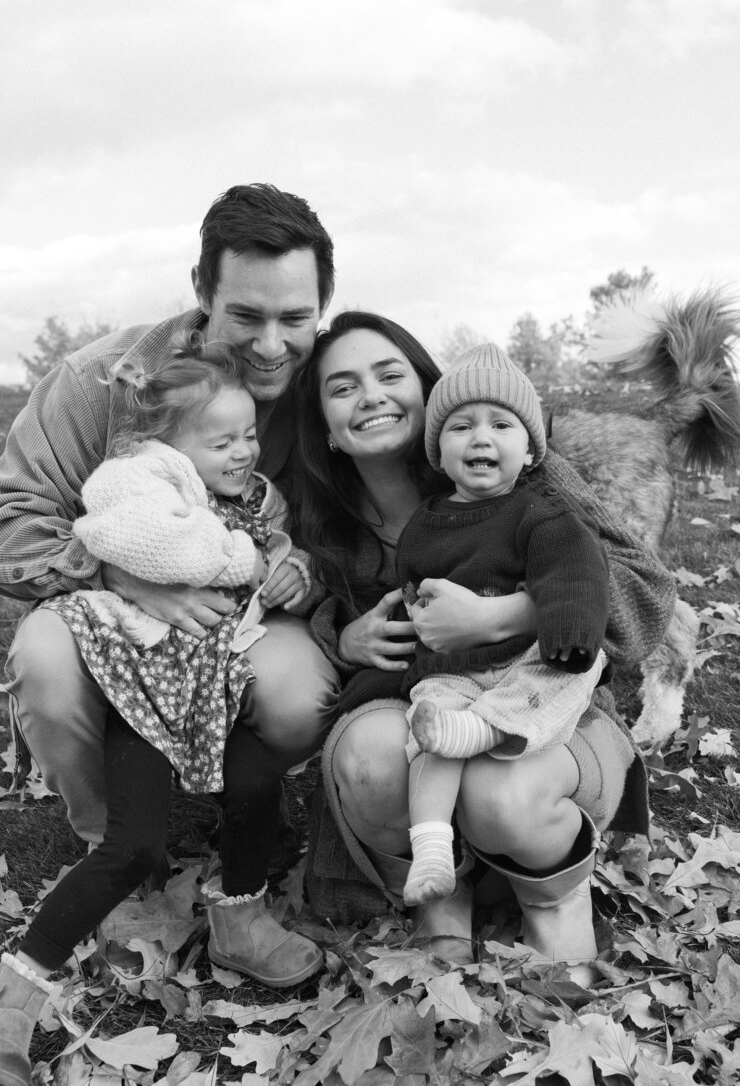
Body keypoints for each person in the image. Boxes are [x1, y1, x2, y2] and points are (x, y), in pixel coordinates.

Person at [294, 310, 676, 969]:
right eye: (343, 387)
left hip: (544, 694)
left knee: (502, 795)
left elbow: (646, 591)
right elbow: (301, 614)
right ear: (325, 424)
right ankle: (443, 897)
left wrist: (501, 618)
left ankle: (554, 905)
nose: (372, 396)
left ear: (425, 387)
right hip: (429, 689)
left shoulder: (518, 469)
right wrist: (343, 637)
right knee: (373, 756)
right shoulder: (322, 517)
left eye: (390, 374)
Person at [0, 342, 326, 1084]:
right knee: (135, 845)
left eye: (248, 435)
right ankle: (15, 995)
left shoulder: (248, 494)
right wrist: (243, 560)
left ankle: (238, 917)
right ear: (167, 444)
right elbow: (145, 539)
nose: (243, 451)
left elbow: (283, 545)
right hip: (143, 689)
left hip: (211, 683)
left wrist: (286, 563)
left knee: (254, 780)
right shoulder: (136, 477)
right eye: (222, 440)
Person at [0, 183, 339, 858]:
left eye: (295, 318)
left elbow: (456, 441)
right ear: (201, 289)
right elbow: (12, 521)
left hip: (251, 619)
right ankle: (115, 847)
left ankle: (227, 798)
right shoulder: (102, 382)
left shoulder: (344, 386)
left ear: (323, 306)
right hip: (111, 608)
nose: (272, 346)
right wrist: (123, 574)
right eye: (246, 315)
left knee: (299, 700)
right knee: (43, 663)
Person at [396, 343, 609, 907]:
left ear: (530, 450)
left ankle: (490, 730)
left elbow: (577, 573)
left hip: (531, 659)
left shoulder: (541, 512)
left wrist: (568, 631)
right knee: (430, 727)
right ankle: (433, 847)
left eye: (501, 424)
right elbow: (413, 592)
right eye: (460, 426)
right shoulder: (425, 524)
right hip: (457, 669)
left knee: (565, 673)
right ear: (438, 453)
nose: (481, 437)